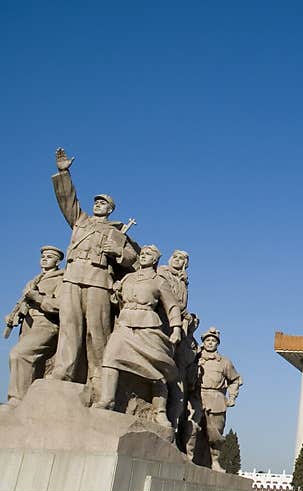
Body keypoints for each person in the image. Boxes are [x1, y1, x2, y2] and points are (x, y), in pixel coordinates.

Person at [47, 148, 137, 401]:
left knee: (97, 331)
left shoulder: (117, 231)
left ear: (110, 209)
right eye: (96, 201)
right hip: (73, 277)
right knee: (69, 326)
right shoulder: (80, 221)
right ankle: (63, 372)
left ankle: (99, 377)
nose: (98, 204)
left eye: (103, 203)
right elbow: (67, 200)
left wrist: (116, 250)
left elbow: (133, 258)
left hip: (99, 280)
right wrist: (64, 173)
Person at [93, 245, 182, 428]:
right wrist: (115, 291)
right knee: (110, 358)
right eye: (142, 253)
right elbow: (116, 303)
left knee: (157, 370)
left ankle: (160, 412)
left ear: (155, 259)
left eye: (148, 254)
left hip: (148, 325)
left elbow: (172, 306)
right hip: (125, 323)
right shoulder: (128, 277)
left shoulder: (159, 281)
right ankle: (107, 400)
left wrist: (176, 329)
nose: (143, 256)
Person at [4, 246, 65, 405]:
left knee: (19, 354)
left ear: (58, 261)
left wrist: (36, 297)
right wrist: (14, 316)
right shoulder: (34, 280)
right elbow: (22, 303)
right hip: (27, 325)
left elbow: (60, 306)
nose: (44, 259)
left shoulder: (62, 279)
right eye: (43, 256)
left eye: (49, 257)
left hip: (46, 325)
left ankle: (16, 399)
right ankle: (29, 402)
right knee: (33, 366)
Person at [158, 249, 199, 432]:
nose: (177, 260)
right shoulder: (161, 273)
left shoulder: (183, 281)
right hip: (160, 320)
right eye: (175, 257)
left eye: (182, 258)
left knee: (176, 381)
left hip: (177, 326)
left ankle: (172, 425)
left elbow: (181, 306)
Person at [197, 327, 242, 470]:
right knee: (191, 429)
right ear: (203, 342)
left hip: (216, 399)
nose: (210, 343)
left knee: (215, 434)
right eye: (207, 340)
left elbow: (235, 379)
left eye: (213, 341)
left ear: (217, 344)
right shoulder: (194, 358)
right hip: (197, 396)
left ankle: (214, 461)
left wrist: (232, 397)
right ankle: (190, 458)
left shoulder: (224, 362)